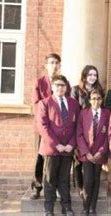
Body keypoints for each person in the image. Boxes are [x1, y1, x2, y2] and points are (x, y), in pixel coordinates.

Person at [36, 75, 80, 216]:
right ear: (53, 87)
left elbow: (77, 126)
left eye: (63, 85)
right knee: (50, 179)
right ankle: (49, 209)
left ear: (67, 87)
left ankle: (66, 207)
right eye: (57, 85)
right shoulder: (45, 103)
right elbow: (43, 127)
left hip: (68, 148)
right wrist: (57, 145)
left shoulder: (73, 103)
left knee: (65, 178)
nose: (60, 88)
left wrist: (71, 144)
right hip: (51, 149)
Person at [30, 53, 70, 200]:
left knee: (58, 157)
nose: (54, 65)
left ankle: (58, 186)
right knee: (40, 156)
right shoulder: (39, 82)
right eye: (51, 63)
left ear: (59, 65)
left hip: (59, 128)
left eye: (56, 63)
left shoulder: (64, 82)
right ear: (46, 65)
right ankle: (37, 186)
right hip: (43, 126)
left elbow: (66, 103)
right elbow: (36, 105)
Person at [71, 65, 104, 197]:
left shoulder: (99, 90)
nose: (92, 77)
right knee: (79, 159)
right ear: (84, 76)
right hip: (79, 128)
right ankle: (80, 186)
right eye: (90, 75)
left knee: (92, 162)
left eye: (95, 75)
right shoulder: (76, 90)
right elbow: (74, 109)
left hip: (94, 130)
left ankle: (90, 188)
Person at [76, 89, 110, 215]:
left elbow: (109, 136)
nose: (96, 101)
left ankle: (92, 208)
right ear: (89, 100)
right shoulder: (83, 113)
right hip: (87, 155)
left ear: (102, 100)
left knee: (96, 180)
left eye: (98, 98)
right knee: (88, 180)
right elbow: (79, 134)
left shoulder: (107, 113)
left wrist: (101, 152)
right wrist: (86, 152)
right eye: (93, 98)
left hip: (99, 154)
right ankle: (85, 206)